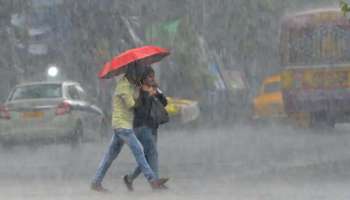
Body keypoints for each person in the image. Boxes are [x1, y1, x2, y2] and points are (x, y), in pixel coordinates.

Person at [90, 65, 168, 192]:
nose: (139, 77)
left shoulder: (131, 85)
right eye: (137, 75)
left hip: (124, 124)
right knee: (139, 152)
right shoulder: (123, 87)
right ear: (131, 74)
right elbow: (133, 105)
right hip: (123, 126)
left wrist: (152, 90)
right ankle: (152, 180)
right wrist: (147, 94)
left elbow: (159, 100)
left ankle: (96, 182)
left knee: (109, 156)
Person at [123, 66, 168, 191]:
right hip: (141, 126)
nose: (152, 79)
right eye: (149, 76)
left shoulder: (154, 89)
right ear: (143, 78)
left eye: (153, 76)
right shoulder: (137, 90)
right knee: (153, 153)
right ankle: (155, 181)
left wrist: (157, 92)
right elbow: (138, 108)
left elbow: (164, 102)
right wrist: (147, 95)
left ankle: (130, 178)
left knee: (147, 157)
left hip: (153, 126)